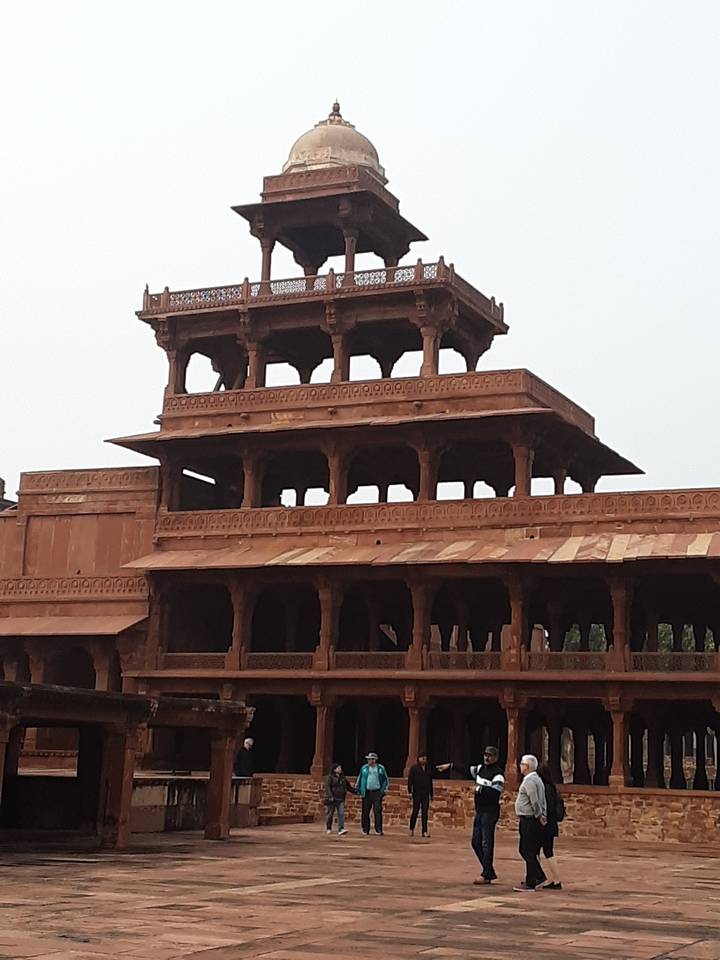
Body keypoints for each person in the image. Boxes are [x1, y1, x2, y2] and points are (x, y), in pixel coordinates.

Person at [437, 745, 505, 884]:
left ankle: (486, 874)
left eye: (490, 755)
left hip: (490, 812)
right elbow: (466, 769)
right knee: (475, 842)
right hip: (479, 811)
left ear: (495, 758)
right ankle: (489, 870)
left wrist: (479, 789)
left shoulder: (498, 774)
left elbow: (495, 793)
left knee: (487, 842)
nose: (486, 757)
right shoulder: (480, 769)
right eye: (485, 754)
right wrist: (450, 766)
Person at [513, 754, 547, 891]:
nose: (520, 766)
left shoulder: (530, 781)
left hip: (529, 819)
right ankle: (533, 877)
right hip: (530, 819)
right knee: (529, 850)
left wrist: (539, 815)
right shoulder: (536, 780)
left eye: (522, 764)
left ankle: (535, 877)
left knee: (526, 850)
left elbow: (535, 800)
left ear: (526, 766)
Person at [537, 763, 563, 889]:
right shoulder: (552, 787)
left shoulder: (546, 788)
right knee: (548, 851)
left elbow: (546, 806)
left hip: (545, 824)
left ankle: (541, 877)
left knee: (541, 851)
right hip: (550, 824)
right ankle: (554, 879)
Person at [354, 752, 389, 835]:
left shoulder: (380, 768)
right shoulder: (364, 768)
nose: (368, 761)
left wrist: (383, 790)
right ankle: (365, 829)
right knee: (365, 811)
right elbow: (360, 778)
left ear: (374, 760)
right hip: (367, 792)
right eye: (368, 759)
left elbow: (385, 779)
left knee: (377, 810)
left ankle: (378, 829)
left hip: (377, 791)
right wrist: (358, 788)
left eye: (370, 759)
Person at [407, 752, 434, 838]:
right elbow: (410, 780)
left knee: (425, 812)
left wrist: (431, 794)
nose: (423, 759)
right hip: (417, 793)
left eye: (425, 758)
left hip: (425, 793)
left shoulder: (428, 769)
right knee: (415, 811)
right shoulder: (414, 768)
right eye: (422, 758)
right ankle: (411, 829)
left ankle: (424, 831)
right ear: (418, 759)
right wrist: (410, 792)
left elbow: (430, 782)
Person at [324, 762, 350, 836]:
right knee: (330, 814)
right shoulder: (330, 777)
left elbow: (348, 787)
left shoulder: (343, 777)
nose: (340, 769)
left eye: (340, 768)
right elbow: (328, 787)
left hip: (340, 798)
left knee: (341, 814)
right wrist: (330, 796)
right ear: (334, 769)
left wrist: (356, 791)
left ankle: (341, 829)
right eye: (338, 768)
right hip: (332, 798)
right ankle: (329, 828)